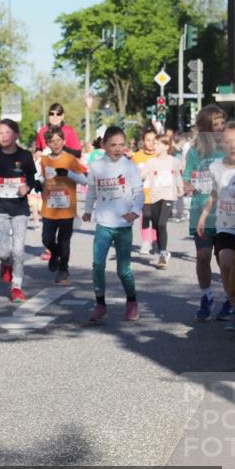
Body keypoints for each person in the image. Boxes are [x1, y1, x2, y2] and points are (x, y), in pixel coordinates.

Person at [83, 126, 144, 324]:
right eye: (113, 145)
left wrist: (135, 212)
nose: (118, 149)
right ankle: (100, 304)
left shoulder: (129, 166)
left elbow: (138, 191)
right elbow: (91, 190)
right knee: (97, 264)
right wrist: (87, 210)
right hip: (104, 224)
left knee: (123, 270)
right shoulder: (97, 166)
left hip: (123, 225)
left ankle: (132, 301)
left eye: (121, 145)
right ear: (104, 145)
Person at [0, 119, 38, 303]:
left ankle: (16, 286)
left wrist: (27, 187)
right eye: (1, 133)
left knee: (18, 249)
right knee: (4, 252)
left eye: (7, 132)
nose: (4, 136)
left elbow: (32, 177)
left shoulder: (25, 156)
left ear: (16, 135)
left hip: (20, 208)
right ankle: (6, 265)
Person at [186, 105, 228, 320]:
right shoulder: (194, 152)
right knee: (203, 258)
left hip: (227, 215)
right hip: (200, 214)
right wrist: (190, 185)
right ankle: (207, 295)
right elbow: (186, 180)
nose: (220, 128)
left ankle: (231, 300)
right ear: (204, 128)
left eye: (222, 123)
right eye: (215, 124)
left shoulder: (231, 148)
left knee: (225, 260)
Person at [197, 122, 235, 324]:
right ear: (222, 143)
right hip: (226, 225)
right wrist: (204, 216)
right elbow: (213, 194)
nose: (233, 145)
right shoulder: (215, 167)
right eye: (228, 141)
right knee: (225, 264)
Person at [39, 127, 87, 285]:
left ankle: (63, 270)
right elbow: (42, 178)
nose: (56, 144)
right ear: (48, 144)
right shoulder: (44, 160)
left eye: (59, 140)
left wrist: (68, 174)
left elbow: (83, 180)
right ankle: (54, 253)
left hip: (66, 209)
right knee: (47, 239)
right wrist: (38, 183)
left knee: (64, 241)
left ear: (64, 141)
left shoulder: (70, 160)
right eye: (52, 141)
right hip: (49, 208)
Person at [140, 135, 184, 270]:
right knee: (156, 226)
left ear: (166, 146)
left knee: (162, 223)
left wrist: (181, 188)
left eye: (158, 144)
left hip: (169, 196)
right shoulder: (151, 162)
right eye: (154, 143)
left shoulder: (174, 161)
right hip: (154, 197)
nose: (155, 146)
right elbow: (142, 175)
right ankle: (163, 252)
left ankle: (163, 254)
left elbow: (177, 176)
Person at [132, 127, 158, 256]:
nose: (151, 143)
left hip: (160, 194)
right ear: (143, 141)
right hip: (144, 194)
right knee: (146, 216)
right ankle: (146, 242)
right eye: (148, 140)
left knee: (157, 219)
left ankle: (156, 241)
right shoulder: (137, 157)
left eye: (154, 140)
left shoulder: (160, 155)